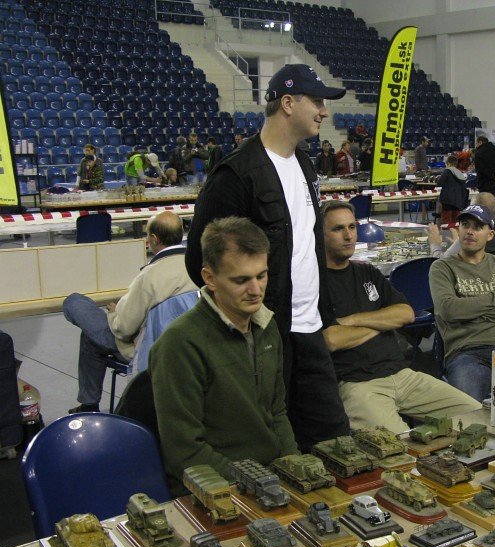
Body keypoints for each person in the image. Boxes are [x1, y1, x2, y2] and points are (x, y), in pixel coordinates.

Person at [186, 63, 350, 448]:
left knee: (335, 443)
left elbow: (305, 244)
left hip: (310, 330)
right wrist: (251, 314)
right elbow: (200, 264)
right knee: (270, 448)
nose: (324, 111)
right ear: (288, 103)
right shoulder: (236, 173)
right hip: (265, 338)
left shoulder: (305, 164)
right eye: (317, 101)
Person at [151, 216, 299, 484]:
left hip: (268, 476)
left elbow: (277, 413)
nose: (256, 290)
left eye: (261, 276)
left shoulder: (266, 326)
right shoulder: (180, 343)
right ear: (210, 278)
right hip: (216, 485)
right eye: (241, 280)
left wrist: (294, 465)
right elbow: (184, 451)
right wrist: (257, 482)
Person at [321, 201, 480, 432]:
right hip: (358, 385)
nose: (348, 236)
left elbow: (405, 314)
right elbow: (332, 339)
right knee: (399, 447)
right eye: (338, 229)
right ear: (320, 234)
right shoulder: (315, 282)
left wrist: (353, 320)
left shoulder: (366, 272)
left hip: (403, 375)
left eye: (352, 227)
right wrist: (383, 322)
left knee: (478, 418)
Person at [62, 212, 196, 413]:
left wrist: (114, 313)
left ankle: (89, 406)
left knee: (74, 302)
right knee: (90, 337)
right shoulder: (196, 266)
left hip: (145, 349)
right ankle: (88, 405)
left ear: (154, 239)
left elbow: (123, 328)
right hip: (185, 347)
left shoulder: (150, 276)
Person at [429, 204, 495, 401]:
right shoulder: (442, 268)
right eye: (465, 225)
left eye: (477, 227)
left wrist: (469, 311)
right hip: (467, 352)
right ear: (458, 229)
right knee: (469, 408)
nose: (469, 231)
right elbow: (449, 310)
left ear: (490, 235)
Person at [472, 135, 495, 209]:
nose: (476, 146)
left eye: (476, 143)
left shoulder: (479, 153)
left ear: (480, 142)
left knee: (486, 210)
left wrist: (493, 176)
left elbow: (481, 169)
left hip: (486, 185)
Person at [436, 154, 468, 226]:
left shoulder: (447, 171)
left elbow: (440, 183)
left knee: (446, 220)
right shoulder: (460, 173)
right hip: (458, 200)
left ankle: (445, 232)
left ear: (448, 163)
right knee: (456, 221)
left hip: (447, 200)